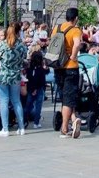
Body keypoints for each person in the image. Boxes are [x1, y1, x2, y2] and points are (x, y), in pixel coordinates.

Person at [52, 7, 83, 139]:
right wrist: (73, 56)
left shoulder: (57, 28)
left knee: (64, 96)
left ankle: (73, 118)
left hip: (58, 66)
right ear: (76, 18)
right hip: (70, 67)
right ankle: (64, 128)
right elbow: (76, 44)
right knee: (69, 98)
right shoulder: (76, 30)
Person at [0, 22, 27, 136]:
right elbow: (25, 59)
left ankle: (5, 129)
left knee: (4, 101)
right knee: (16, 101)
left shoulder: (2, 45)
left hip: (2, 76)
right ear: (18, 32)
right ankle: (21, 128)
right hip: (16, 75)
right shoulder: (21, 46)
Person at [24, 48, 47, 129]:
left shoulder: (29, 69)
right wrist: (36, 89)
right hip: (39, 89)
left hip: (30, 89)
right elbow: (42, 81)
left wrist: (32, 89)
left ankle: (24, 120)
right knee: (38, 107)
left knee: (28, 106)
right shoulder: (41, 70)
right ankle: (36, 123)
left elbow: (29, 79)